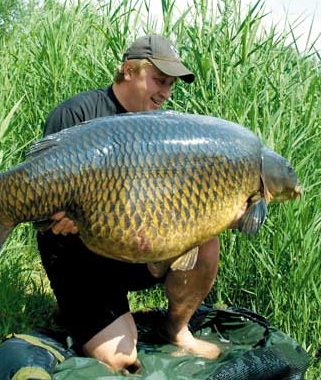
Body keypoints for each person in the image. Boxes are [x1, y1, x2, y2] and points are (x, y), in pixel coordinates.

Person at [37, 35, 232, 371]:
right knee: (122, 359)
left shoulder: (163, 131)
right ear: (129, 70)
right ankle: (77, 308)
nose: (165, 93)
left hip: (136, 251)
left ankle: (178, 331)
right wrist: (62, 213)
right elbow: (46, 201)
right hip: (79, 255)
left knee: (206, 243)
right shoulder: (78, 114)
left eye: (171, 85)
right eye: (159, 80)